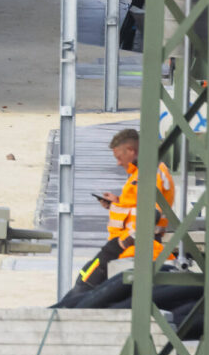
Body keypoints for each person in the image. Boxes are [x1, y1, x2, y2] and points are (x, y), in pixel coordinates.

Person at [55, 127, 175, 308]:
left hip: (132, 246)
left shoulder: (151, 173)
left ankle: (62, 314)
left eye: (119, 157)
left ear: (131, 151)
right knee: (88, 285)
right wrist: (116, 203)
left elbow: (153, 214)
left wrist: (125, 241)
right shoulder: (141, 173)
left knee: (86, 282)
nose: (118, 163)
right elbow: (139, 207)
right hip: (126, 244)